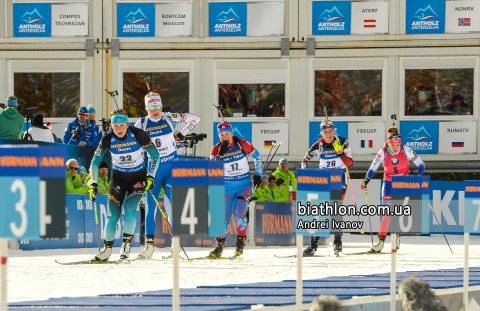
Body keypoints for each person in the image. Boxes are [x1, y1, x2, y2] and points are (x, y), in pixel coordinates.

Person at [134, 92, 201, 260]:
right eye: (151, 107)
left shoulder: (170, 118)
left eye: (157, 106)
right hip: (153, 168)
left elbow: (196, 119)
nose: (155, 110)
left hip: (172, 165)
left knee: (172, 207)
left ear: (161, 106)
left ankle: (175, 246)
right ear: (146, 108)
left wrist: (182, 133)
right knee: (151, 207)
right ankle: (149, 247)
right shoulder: (141, 123)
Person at [88, 111, 160, 261]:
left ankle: (126, 246)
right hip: (118, 178)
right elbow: (95, 162)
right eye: (115, 126)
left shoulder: (139, 134)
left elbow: (155, 155)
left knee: (130, 209)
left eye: (122, 125)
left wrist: (151, 177)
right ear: (111, 126)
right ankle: (107, 250)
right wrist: (92, 183)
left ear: (128, 125)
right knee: (112, 215)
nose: (119, 129)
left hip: (138, 178)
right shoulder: (107, 138)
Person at [361, 127, 425, 253]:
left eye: (397, 145)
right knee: (387, 214)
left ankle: (396, 239)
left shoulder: (405, 149)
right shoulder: (383, 152)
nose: (395, 148)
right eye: (392, 145)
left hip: (402, 184)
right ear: (388, 143)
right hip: (389, 184)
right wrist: (367, 179)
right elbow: (373, 168)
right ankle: (380, 242)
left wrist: (418, 177)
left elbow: (421, 165)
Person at [209, 122, 262, 258]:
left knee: (239, 213)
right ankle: (219, 247)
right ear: (218, 136)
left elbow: (257, 157)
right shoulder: (215, 149)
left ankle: (240, 244)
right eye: (221, 135)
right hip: (226, 187)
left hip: (244, 185)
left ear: (232, 133)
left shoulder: (242, 143)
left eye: (227, 134)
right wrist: (220, 155)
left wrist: (258, 175)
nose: (225, 137)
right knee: (224, 218)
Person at [301, 119, 353, 256]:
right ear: (322, 133)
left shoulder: (342, 141)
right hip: (324, 179)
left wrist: (340, 152)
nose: (328, 134)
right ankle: (313, 245)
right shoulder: (318, 145)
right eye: (325, 132)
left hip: (339, 177)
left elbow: (350, 163)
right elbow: (304, 160)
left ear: (334, 130)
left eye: (330, 131)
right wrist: (307, 174)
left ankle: (337, 242)